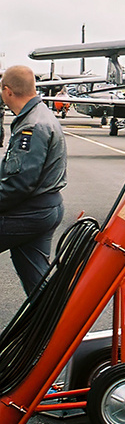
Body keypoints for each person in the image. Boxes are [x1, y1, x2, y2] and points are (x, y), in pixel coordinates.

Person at [0, 66, 66, 296]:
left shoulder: (31, 126)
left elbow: (18, 184)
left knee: (35, 275)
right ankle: (54, 327)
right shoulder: (40, 114)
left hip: (30, 212)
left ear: (7, 91)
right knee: (36, 278)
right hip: (45, 208)